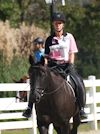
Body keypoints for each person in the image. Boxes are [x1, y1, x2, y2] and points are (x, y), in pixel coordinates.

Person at [44, 12, 87, 119]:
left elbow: (72, 52)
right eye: (56, 23)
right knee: (39, 83)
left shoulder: (69, 37)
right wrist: (44, 68)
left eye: (60, 23)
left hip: (66, 65)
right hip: (53, 67)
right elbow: (46, 56)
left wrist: (70, 65)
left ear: (63, 25)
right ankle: (32, 107)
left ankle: (81, 108)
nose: (58, 25)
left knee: (78, 82)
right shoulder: (49, 40)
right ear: (53, 24)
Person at [22, 37, 44, 118]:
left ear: (41, 45)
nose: (35, 45)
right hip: (37, 75)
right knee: (33, 90)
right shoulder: (36, 53)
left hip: (43, 74)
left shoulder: (44, 53)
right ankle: (29, 108)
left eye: (36, 44)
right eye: (35, 44)